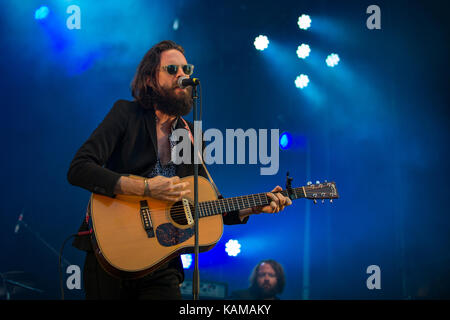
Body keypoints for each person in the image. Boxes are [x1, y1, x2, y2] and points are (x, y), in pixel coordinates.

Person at [67, 40, 292, 300]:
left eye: (186, 69)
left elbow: (208, 204)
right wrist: (146, 187)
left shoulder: (192, 134)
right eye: (172, 69)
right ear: (151, 78)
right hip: (112, 250)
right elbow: (79, 168)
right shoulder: (125, 114)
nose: (183, 76)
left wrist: (252, 206)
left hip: (163, 260)